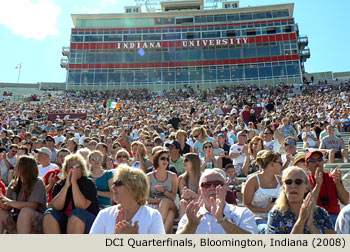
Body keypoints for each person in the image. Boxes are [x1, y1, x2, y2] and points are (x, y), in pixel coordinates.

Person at [176, 168, 258, 234]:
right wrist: (191, 226)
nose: (212, 187)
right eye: (206, 185)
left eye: (217, 184)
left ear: (226, 189)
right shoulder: (191, 217)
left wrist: (222, 219)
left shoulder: (242, 213)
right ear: (200, 191)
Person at [89, 164, 165, 234]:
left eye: (118, 184)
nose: (113, 188)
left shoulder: (153, 216)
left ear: (134, 187)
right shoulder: (104, 214)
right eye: (113, 184)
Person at [266, 166, 335, 234]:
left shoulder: (321, 213)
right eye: (288, 182)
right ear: (284, 188)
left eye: (298, 182)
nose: (293, 186)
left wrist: (311, 226)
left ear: (306, 188)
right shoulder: (276, 214)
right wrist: (301, 220)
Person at [43, 153, 99, 234]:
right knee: (49, 214)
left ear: (82, 168)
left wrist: (74, 182)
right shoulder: (60, 184)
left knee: (76, 213)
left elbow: (81, 206)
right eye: (70, 166)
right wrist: (66, 186)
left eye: (76, 165)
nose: (73, 168)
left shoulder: (88, 183)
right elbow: (56, 206)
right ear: (66, 169)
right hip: (64, 220)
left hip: (86, 220)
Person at [0, 156, 47, 233]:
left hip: (36, 221)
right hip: (17, 217)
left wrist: (11, 202)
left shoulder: (38, 183)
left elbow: (33, 205)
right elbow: (7, 207)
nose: (15, 167)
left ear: (27, 168)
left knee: (25, 211)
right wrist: (2, 200)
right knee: (1, 212)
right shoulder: (14, 183)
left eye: (18, 165)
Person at [243, 150, 282, 233]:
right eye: (280, 163)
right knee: (267, 230)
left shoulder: (281, 180)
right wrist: (265, 210)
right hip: (257, 218)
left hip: (277, 217)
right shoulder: (253, 181)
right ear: (272, 164)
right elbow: (246, 205)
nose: (282, 166)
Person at [306, 150, 349, 226]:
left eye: (319, 159)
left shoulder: (332, 178)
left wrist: (337, 183)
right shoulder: (305, 180)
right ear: (307, 165)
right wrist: (318, 185)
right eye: (312, 160)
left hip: (334, 216)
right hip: (315, 218)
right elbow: (310, 204)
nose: (317, 162)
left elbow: (345, 201)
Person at [147, 150, 178, 233]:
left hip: (170, 204)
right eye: (163, 158)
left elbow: (173, 197)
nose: (165, 161)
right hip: (154, 205)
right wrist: (155, 200)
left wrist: (163, 191)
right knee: (170, 215)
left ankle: (154, 229)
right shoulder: (149, 176)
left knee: (165, 202)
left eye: (167, 159)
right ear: (157, 160)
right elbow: (145, 197)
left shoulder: (173, 176)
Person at [178, 153, 201, 218]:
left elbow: (203, 197)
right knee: (182, 202)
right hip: (187, 202)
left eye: (186, 160)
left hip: (199, 201)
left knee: (195, 201)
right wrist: (185, 195)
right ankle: (182, 225)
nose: (183, 162)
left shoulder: (202, 177)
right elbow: (182, 196)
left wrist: (193, 194)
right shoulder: (181, 178)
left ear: (194, 162)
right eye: (183, 160)